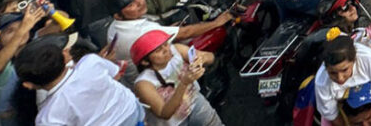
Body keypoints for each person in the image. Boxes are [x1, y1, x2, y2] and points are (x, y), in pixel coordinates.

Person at [14, 36, 145, 126]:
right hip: (132, 112)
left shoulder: (47, 116)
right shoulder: (91, 62)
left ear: (28, 85)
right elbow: (115, 73)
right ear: (66, 56)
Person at [130, 29, 224, 126]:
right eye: (159, 50)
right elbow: (164, 113)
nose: (166, 50)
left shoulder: (177, 50)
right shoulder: (143, 84)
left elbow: (211, 57)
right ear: (145, 62)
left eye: (166, 44)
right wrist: (184, 83)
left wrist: (202, 58)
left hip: (195, 103)